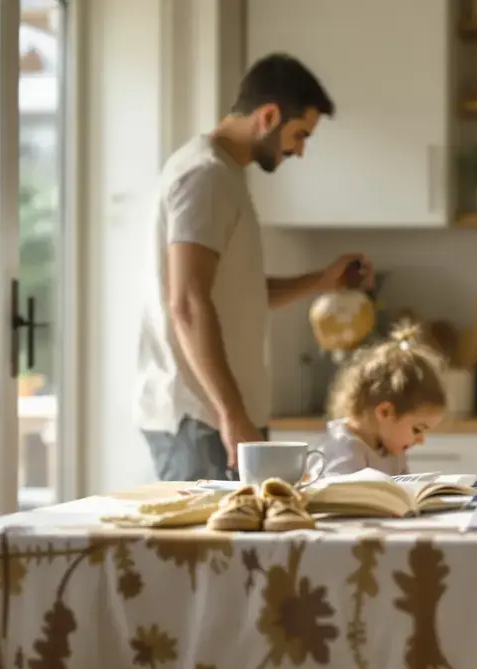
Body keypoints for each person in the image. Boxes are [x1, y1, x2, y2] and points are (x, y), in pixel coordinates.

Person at [136, 53, 375, 481]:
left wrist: (321, 282)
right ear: (268, 116)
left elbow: (236, 292)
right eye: (299, 134)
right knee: (213, 549)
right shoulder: (205, 177)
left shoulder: (222, 175)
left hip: (216, 417)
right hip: (203, 420)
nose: (299, 151)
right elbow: (187, 303)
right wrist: (232, 414)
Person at [319, 322, 447, 477]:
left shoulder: (392, 445)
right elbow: (337, 496)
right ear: (385, 412)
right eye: (417, 429)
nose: (421, 440)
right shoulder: (343, 448)